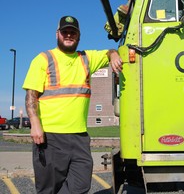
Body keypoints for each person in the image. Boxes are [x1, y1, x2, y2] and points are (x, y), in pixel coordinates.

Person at [22, 15, 122, 194]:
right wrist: (35, 124)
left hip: (79, 137)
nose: (68, 35)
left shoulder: (86, 58)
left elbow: (109, 52)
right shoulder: (43, 59)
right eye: (65, 32)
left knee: (81, 184)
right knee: (48, 188)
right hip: (50, 137)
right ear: (57, 34)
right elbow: (31, 95)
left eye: (73, 33)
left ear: (79, 36)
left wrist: (114, 54)